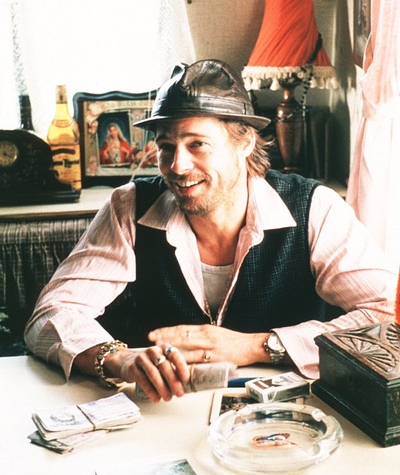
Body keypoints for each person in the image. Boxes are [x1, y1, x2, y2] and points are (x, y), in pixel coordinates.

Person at [24, 59, 396, 403]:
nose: (177, 166)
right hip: (164, 414)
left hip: (291, 416)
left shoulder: (315, 207)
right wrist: (118, 359)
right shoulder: (129, 206)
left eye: (197, 144)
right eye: (166, 147)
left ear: (244, 142)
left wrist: (260, 346)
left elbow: (387, 316)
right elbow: (52, 314)